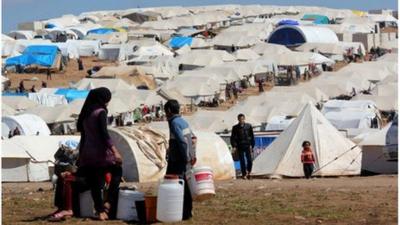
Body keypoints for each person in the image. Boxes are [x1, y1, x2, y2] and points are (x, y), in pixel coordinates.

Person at [77, 87, 123, 221]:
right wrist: (115, 152)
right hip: (101, 153)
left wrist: (81, 155)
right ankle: (108, 202)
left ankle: (100, 211)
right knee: (118, 171)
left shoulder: (86, 113)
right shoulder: (100, 112)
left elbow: (83, 137)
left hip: (87, 153)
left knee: (95, 181)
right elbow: (104, 134)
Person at [164, 99, 196, 220]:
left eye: (165, 112)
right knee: (186, 184)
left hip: (178, 160)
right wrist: (192, 156)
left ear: (168, 111)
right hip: (186, 158)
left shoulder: (174, 123)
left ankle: (178, 211)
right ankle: (188, 211)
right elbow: (192, 139)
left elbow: (182, 142)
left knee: (174, 184)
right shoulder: (184, 122)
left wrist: (186, 157)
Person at [230, 114, 255, 180]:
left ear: (244, 119)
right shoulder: (235, 128)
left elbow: (252, 136)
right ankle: (244, 174)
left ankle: (249, 172)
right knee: (242, 161)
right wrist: (234, 146)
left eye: (242, 119)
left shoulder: (248, 126)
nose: (241, 120)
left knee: (250, 160)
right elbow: (233, 138)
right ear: (238, 120)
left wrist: (252, 145)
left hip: (247, 145)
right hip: (240, 146)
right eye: (240, 119)